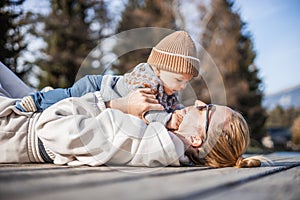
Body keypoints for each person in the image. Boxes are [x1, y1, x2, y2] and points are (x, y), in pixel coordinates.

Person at [0, 65, 263, 168]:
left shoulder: (149, 141)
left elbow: (50, 127)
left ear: (195, 138)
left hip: (15, 128)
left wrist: (117, 104)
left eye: (206, 110)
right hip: (29, 114)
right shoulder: (167, 134)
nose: (198, 102)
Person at [15, 30, 200, 130]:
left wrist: (185, 114)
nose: (183, 87)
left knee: (68, 102)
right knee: (68, 98)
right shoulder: (146, 81)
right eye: (179, 80)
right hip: (94, 87)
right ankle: (37, 100)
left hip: (102, 95)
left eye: (186, 82)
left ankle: (48, 95)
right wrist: (168, 121)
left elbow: (176, 107)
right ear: (158, 69)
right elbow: (148, 111)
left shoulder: (168, 89)